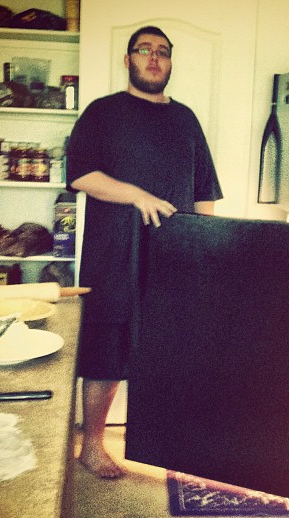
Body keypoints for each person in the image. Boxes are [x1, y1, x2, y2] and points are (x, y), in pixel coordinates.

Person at [66, 25, 223, 478]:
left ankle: (169, 448)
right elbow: (80, 175)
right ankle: (91, 447)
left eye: (163, 52)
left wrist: (204, 248)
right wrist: (137, 195)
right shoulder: (102, 113)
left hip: (172, 258)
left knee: (168, 351)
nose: (154, 59)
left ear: (170, 62)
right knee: (106, 350)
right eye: (144, 50)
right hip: (112, 253)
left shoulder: (186, 119)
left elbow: (204, 188)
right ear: (128, 59)